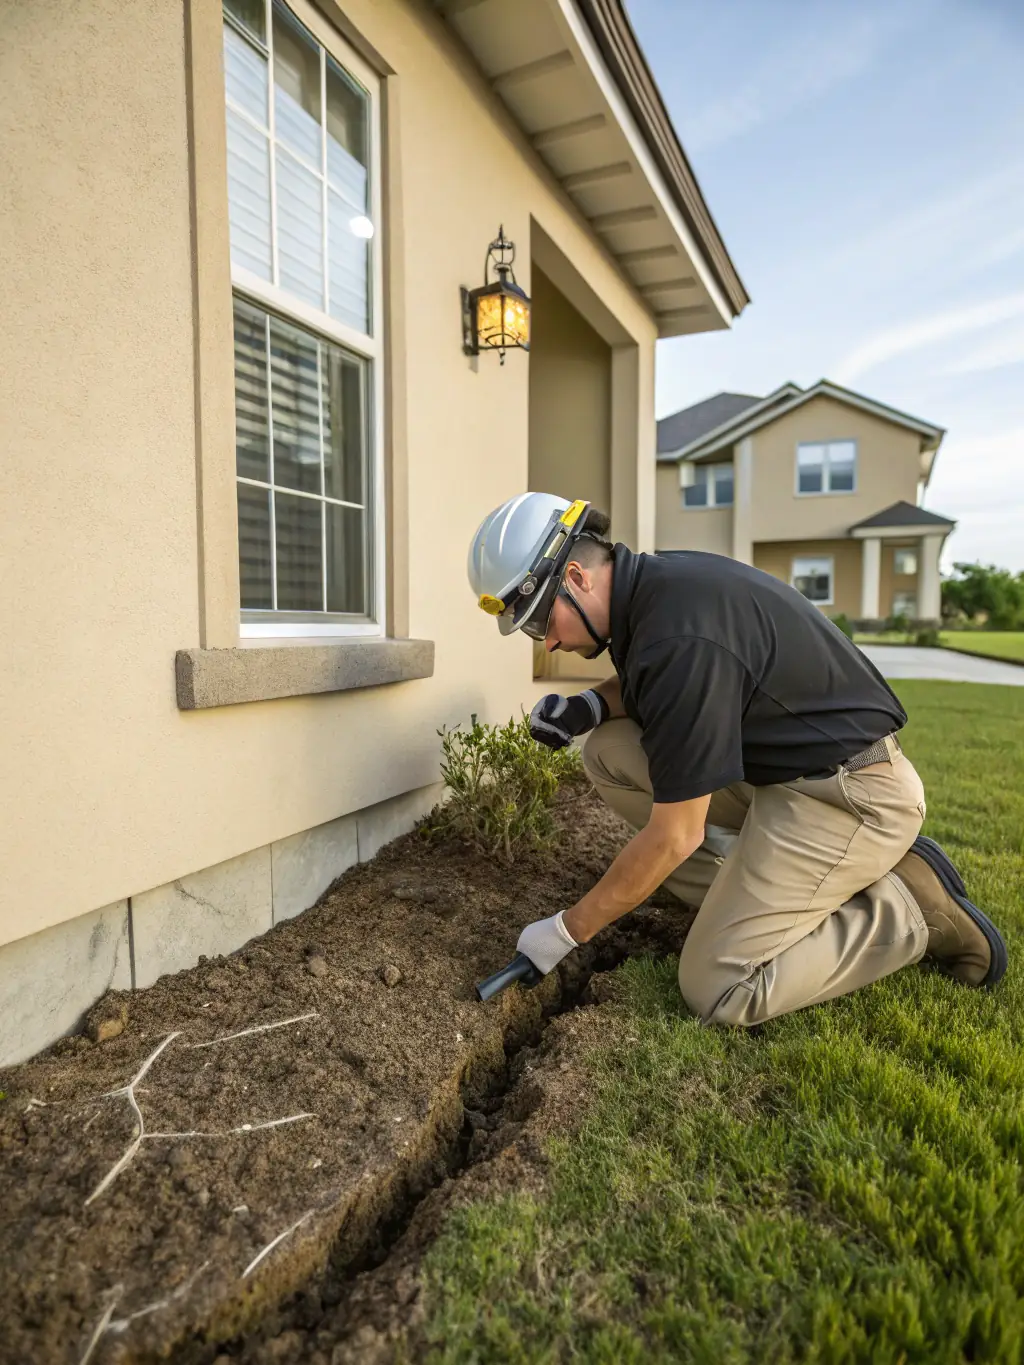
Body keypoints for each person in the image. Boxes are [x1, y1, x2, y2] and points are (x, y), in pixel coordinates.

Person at [467, 492, 1007, 1026]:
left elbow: (677, 834)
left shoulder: (677, 637)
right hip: (788, 778)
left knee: (717, 987)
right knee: (608, 750)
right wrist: (590, 705)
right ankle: (751, 900)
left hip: (852, 798)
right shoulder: (657, 589)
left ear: (577, 579)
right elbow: (663, 687)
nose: (549, 645)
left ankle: (911, 909)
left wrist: (567, 930)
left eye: (540, 624)